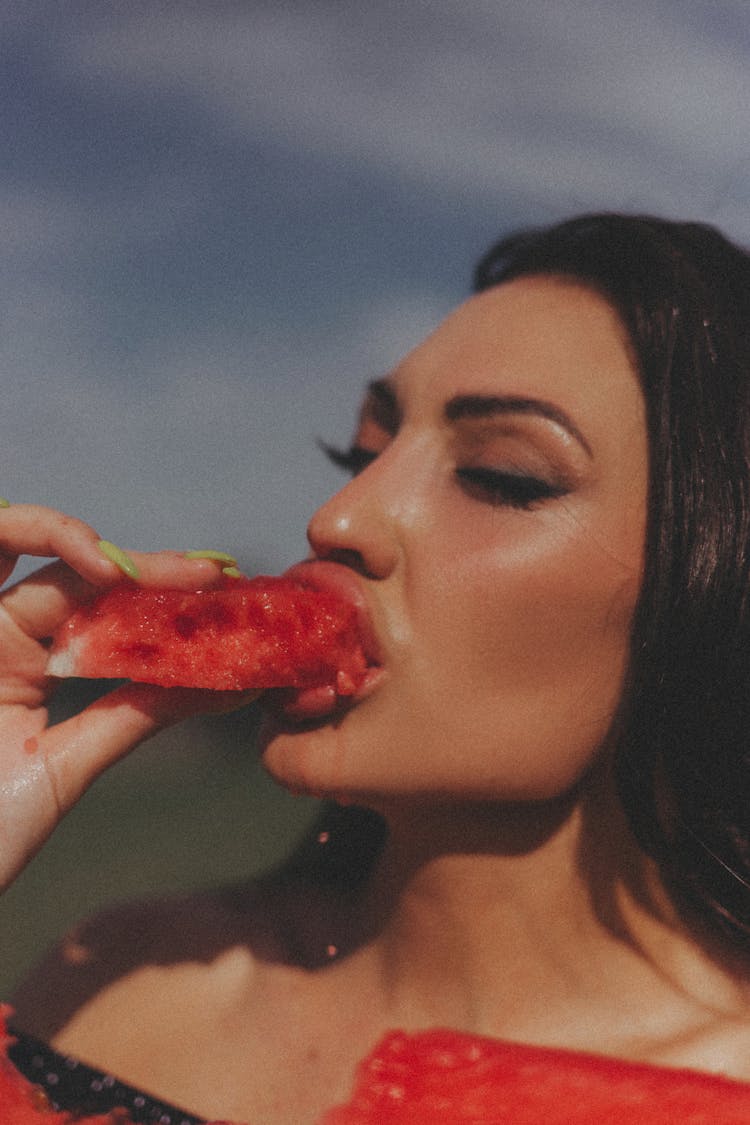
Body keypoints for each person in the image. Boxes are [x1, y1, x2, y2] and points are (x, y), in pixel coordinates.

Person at [2, 212, 750, 1124]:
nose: (338, 517)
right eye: (362, 452)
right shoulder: (115, 973)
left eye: (502, 475)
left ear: (713, 591)